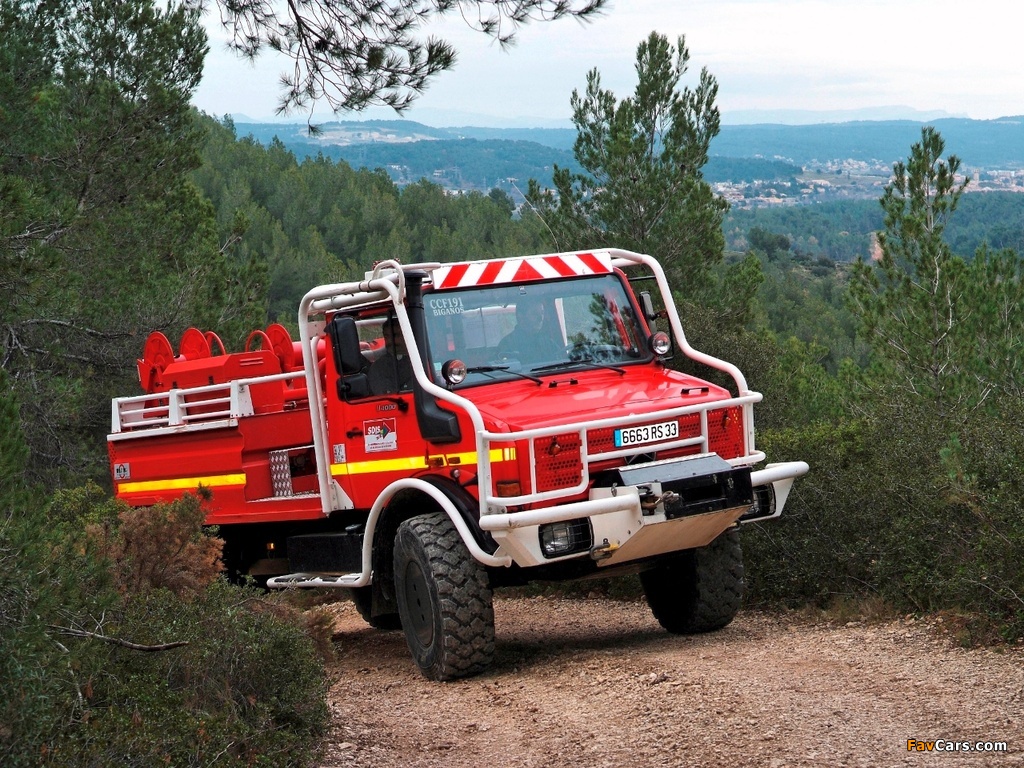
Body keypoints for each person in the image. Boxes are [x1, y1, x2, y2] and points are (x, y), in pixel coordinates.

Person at [496, 295, 563, 364]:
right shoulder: (507, 345)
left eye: (542, 313)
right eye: (534, 314)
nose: (540, 319)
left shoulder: (549, 343)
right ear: (521, 317)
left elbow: (563, 363)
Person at [368, 317, 414, 394]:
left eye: (395, 335)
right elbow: (387, 397)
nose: (390, 341)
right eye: (387, 336)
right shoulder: (379, 367)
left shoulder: (425, 360)